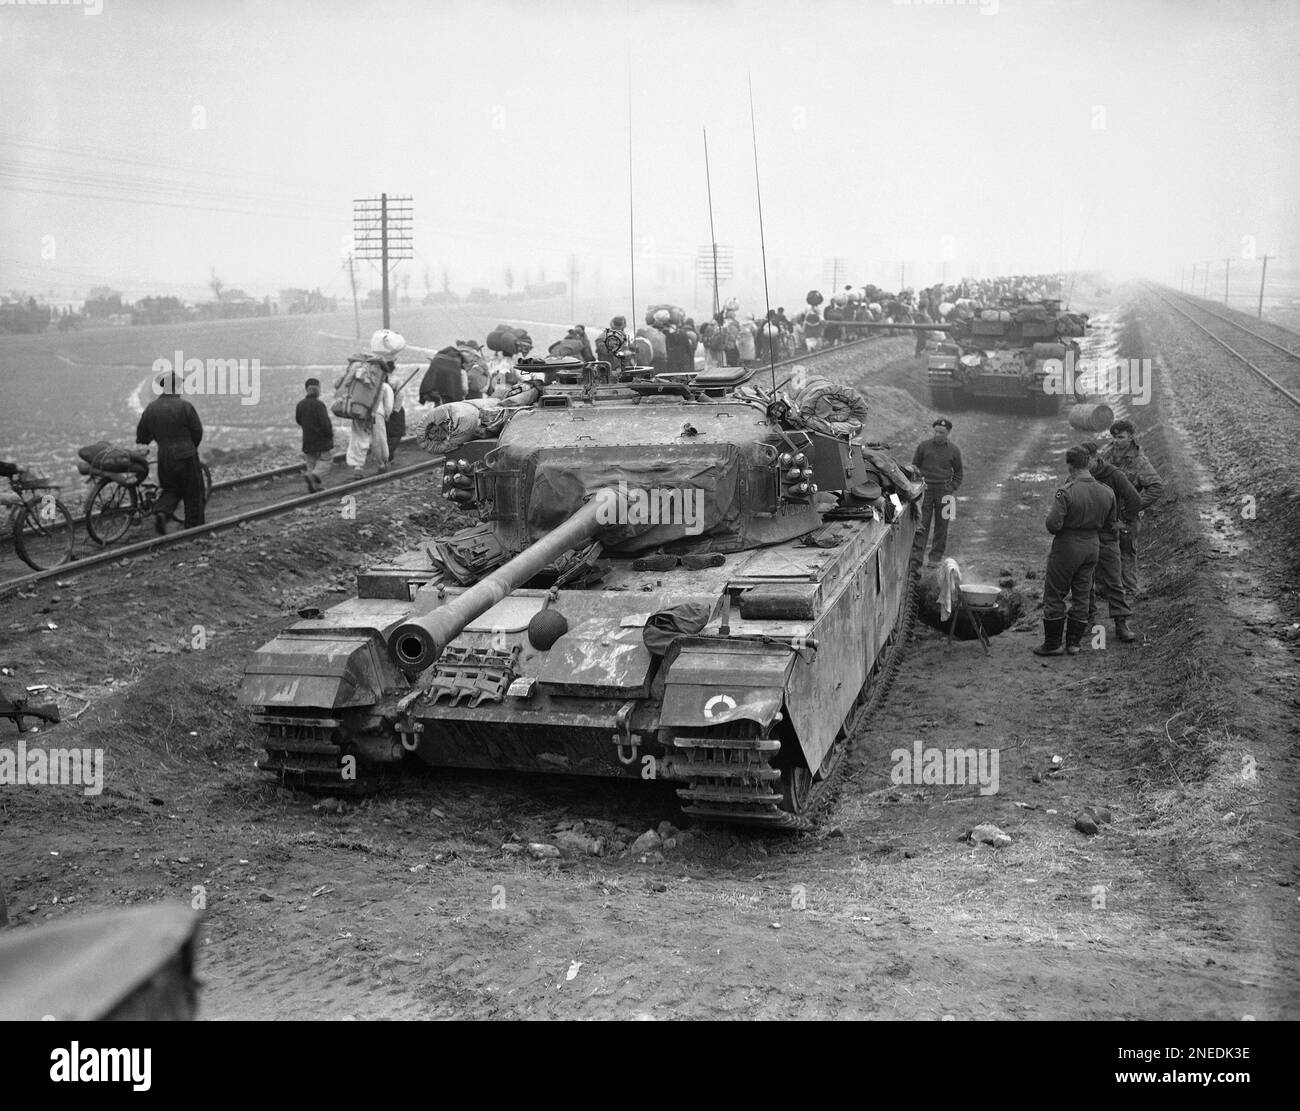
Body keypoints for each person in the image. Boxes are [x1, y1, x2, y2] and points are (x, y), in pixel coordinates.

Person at [1034, 446, 1117, 656]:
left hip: (1067, 547)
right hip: (1093, 547)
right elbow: (1110, 525)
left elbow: (1053, 525)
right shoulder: (1107, 491)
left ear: (1070, 466)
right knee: (1082, 595)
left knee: (1055, 594)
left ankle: (1053, 644)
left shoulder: (1066, 491)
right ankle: (1074, 644)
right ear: (1088, 463)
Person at [1099, 420, 1164, 606]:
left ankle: (1130, 590)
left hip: (1126, 517)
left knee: (1126, 550)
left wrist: (1134, 506)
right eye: (1114, 437)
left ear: (1131, 437)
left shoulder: (1139, 461)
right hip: (1105, 513)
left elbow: (1156, 487)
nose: (1116, 441)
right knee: (1102, 549)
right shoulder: (1107, 453)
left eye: (1121, 437)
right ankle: (1102, 588)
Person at [1081, 440, 1141, 642]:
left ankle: (1121, 623)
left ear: (1095, 457)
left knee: (1114, 581)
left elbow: (1134, 499)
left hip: (1107, 536)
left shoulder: (1114, 475)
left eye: (1086, 461)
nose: (1083, 467)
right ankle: (1087, 619)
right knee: (1084, 579)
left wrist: (1123, 522)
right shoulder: (1077, 476)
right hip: (1086, 536)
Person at [136, 371, 204, 532]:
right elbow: (197, 431)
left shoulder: (151, 409)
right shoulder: (185, 406)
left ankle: (162, 513)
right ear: (175, 387)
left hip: (165, 456)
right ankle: (194, 529)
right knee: (193, 492)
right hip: (186, 453)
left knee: (171, 489)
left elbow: (142, 437)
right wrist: (190, 448)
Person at [910, 418, 963, 567]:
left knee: (943, 525)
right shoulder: (923, 446)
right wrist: (918, 485)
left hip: (945, 493)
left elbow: (959, 473)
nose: (938, 434)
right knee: (921, 524)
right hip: (926, 490)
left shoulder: (954, 450)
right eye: (936, 431)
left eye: (942, 432)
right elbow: (914, 467)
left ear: (948, 433)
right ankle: (917, 559)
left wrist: (951, 487)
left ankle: (935, 559)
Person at [295, 377, 334, 492]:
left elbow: (298, 420)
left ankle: (314, 486)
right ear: (317, 389)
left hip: (307, 440)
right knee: (326, 461)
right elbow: (325, 424)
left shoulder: (300, 404)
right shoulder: (319, 405)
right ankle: (314, 476)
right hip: (321, 441)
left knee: (311, 464)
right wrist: (330, 435)